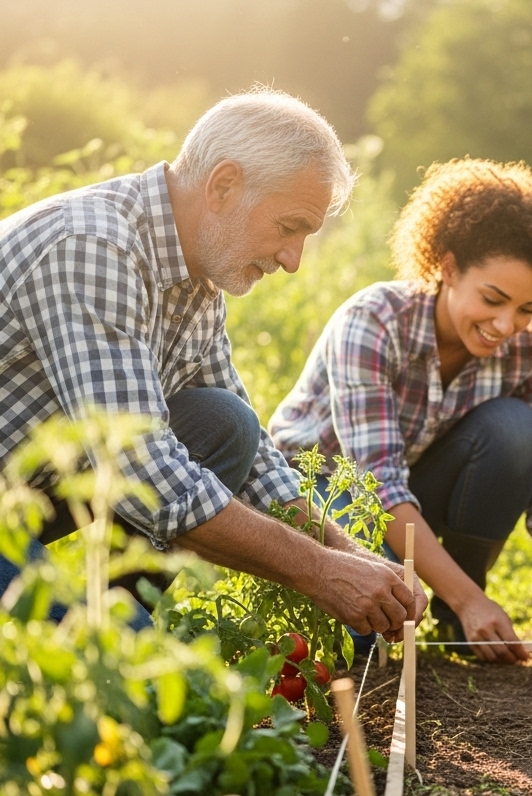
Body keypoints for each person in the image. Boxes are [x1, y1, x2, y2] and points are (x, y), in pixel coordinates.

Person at [0, 88, 424, 639]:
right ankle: (104, 656)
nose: (293, 261)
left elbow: (252, 462)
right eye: (289, 227)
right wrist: (319, 571)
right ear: (223, 186)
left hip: (24, 485)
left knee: (225, 422)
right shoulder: (91, 245)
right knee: (82, 680)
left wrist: (348, 552)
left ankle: (117, 631)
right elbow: (145, 466)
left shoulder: (197, 275)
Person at [268, 158, 532, 662]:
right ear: (450, 268)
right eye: (493, 299)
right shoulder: (372, 322)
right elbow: (379, 483)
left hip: (411, 485)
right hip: (325, 490)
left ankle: (460, 613)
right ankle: (463, 601)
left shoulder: (529, 347)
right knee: (369, 627)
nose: (506, 325)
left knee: (516, 432)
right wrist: (471, 598)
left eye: (526, 309)